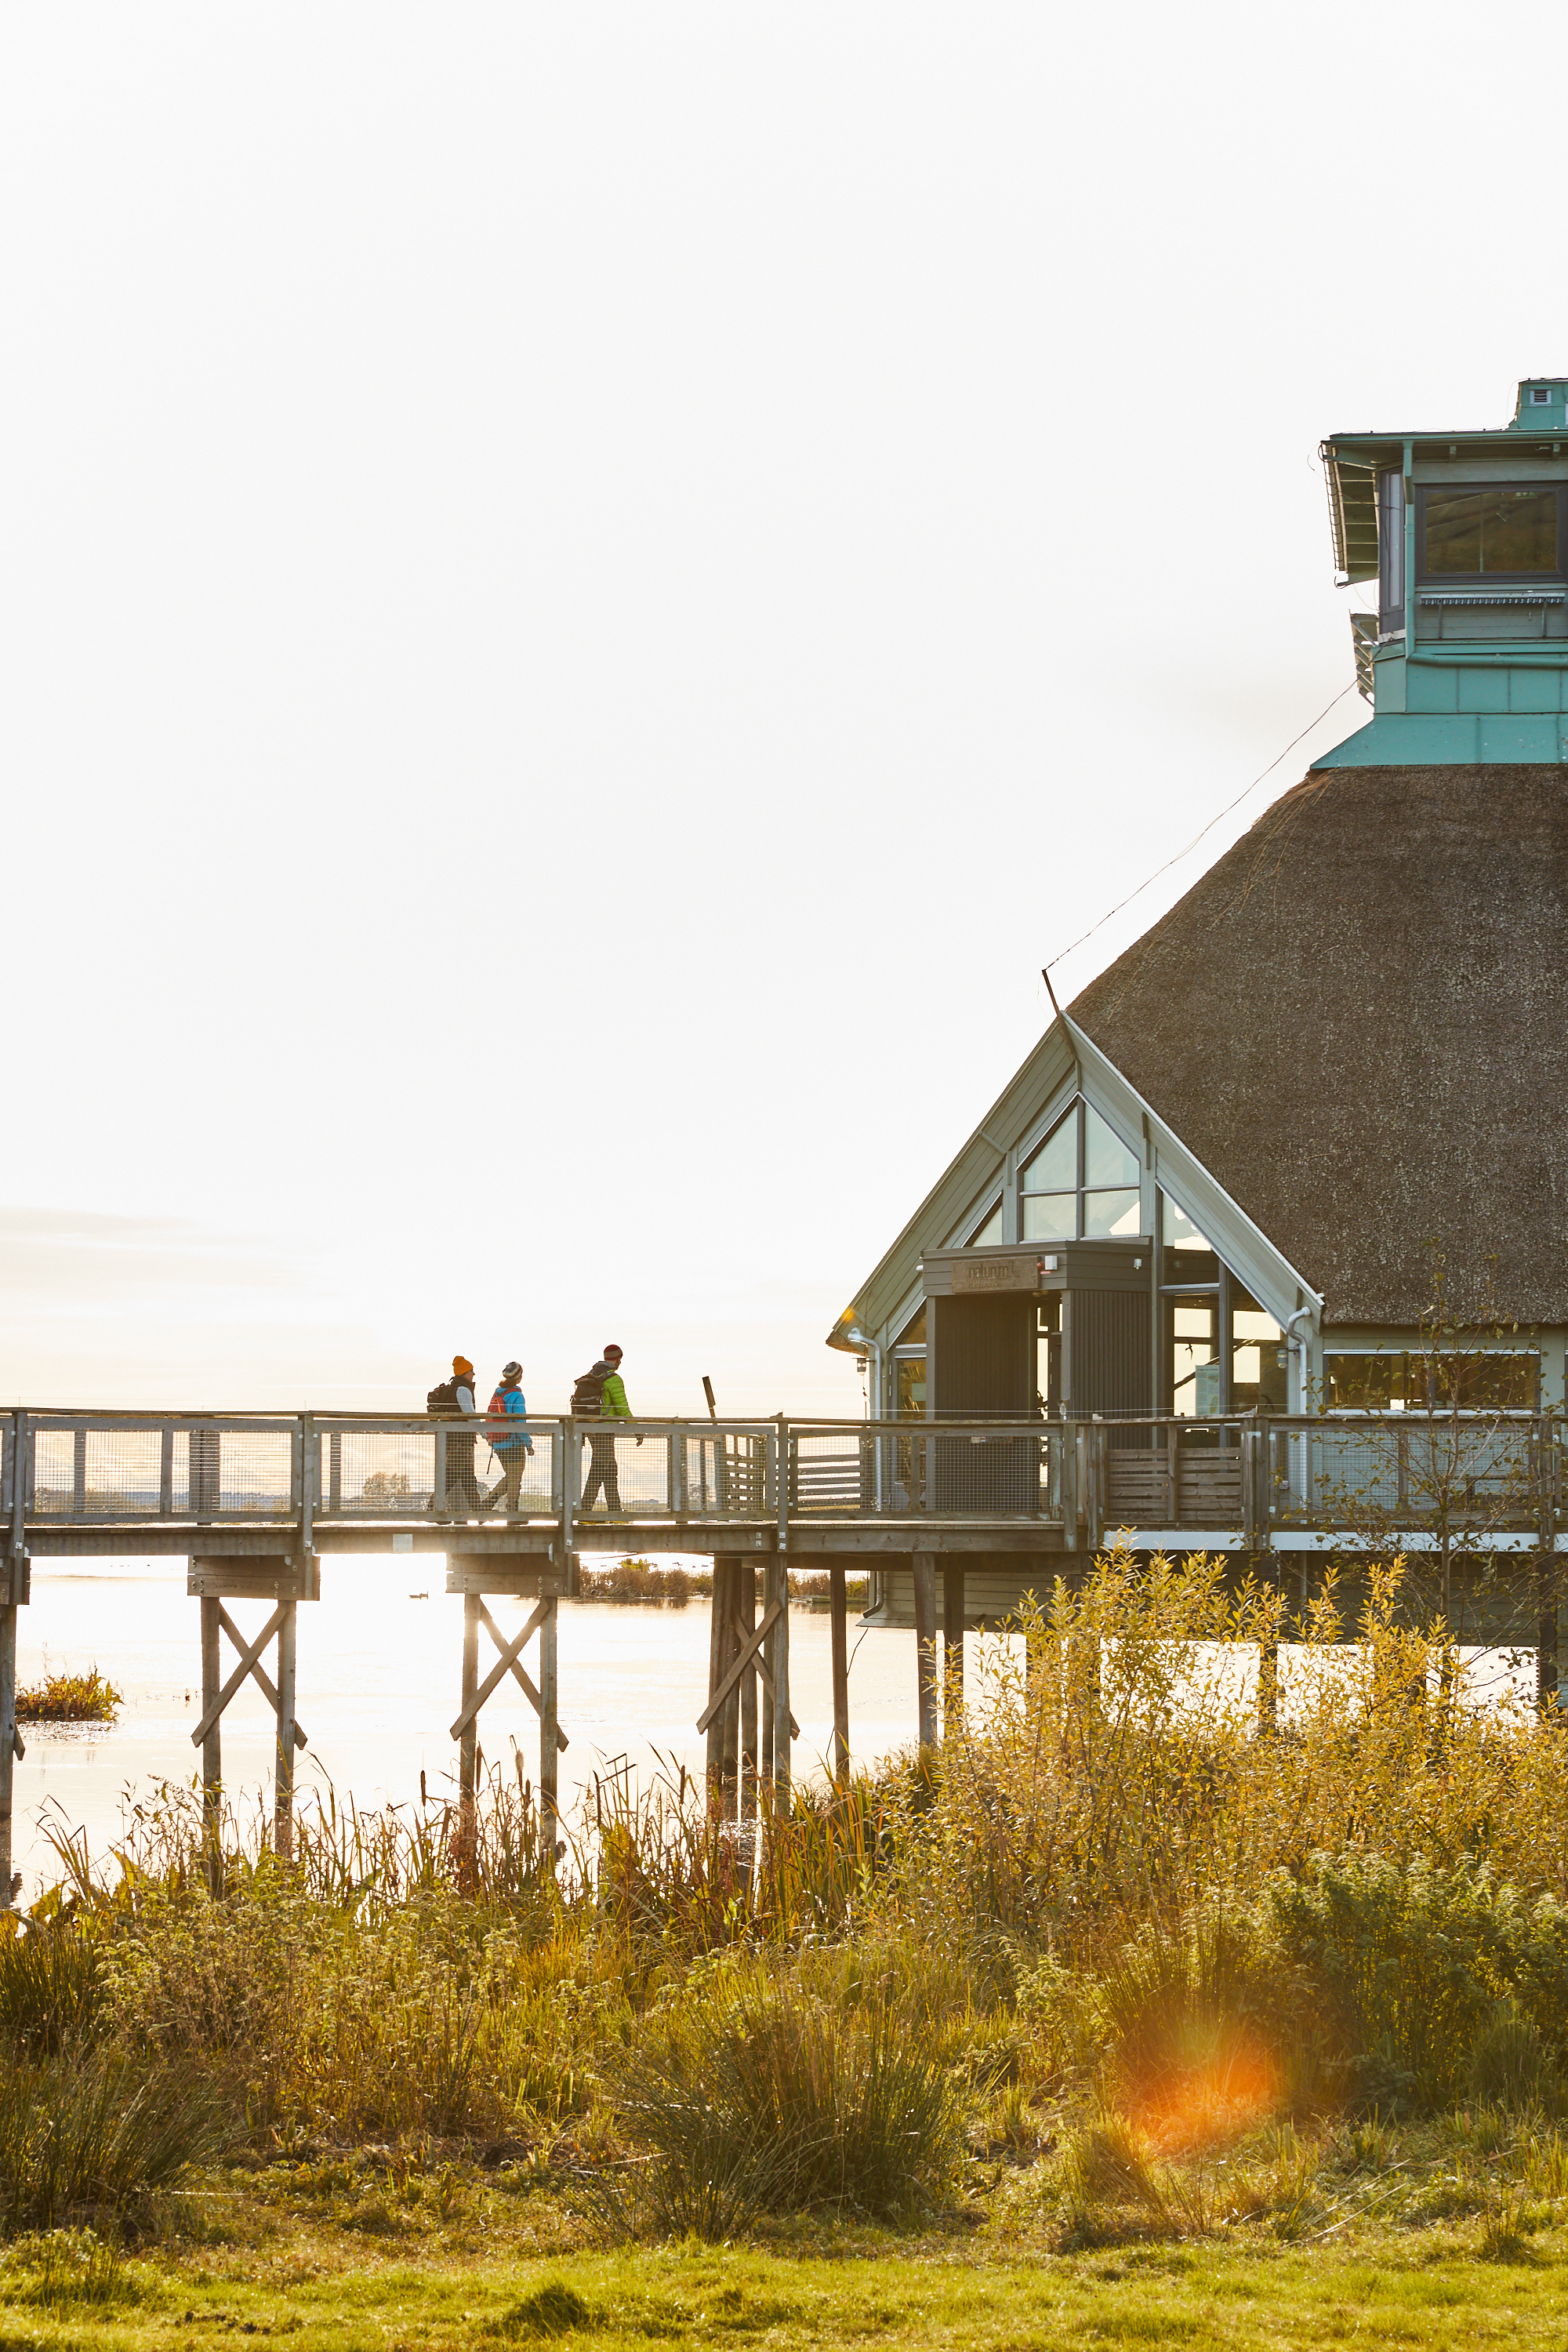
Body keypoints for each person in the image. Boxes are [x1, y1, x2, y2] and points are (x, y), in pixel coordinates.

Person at [575, 1341, 641, 1515]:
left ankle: (600, 1510)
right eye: (620, 1359)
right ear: (618, 1359)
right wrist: (637, 1429)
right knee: (606, 1469)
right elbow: (622, 1408)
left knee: (603, 1468)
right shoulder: (613, 1379)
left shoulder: (591, 1376)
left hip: (589, 1429)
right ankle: (598, 1511)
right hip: (604, 1430)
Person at [427, 1354, 487, 1512]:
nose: (473, 1374)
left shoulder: (452, 1388)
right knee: (458, 1476)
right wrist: (485, 1434)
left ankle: (477, 1510)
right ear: (464, 1373)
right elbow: (470, 1414)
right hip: (461, 1441)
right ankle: (433, 1507)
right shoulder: (462, 1390)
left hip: (451, 1439)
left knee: (462, 1476)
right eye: (471, 1371)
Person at [484, 1359, 535, 1515]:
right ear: (519, 1377)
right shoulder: (516, 1395)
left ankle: (487, 1504)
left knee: (511, 1476)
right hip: (513, 1443)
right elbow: (520, 1422)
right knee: (514, 1478)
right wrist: (528, 1444)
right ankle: (511, 1512)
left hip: (498, 1443)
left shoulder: (498, 1393)